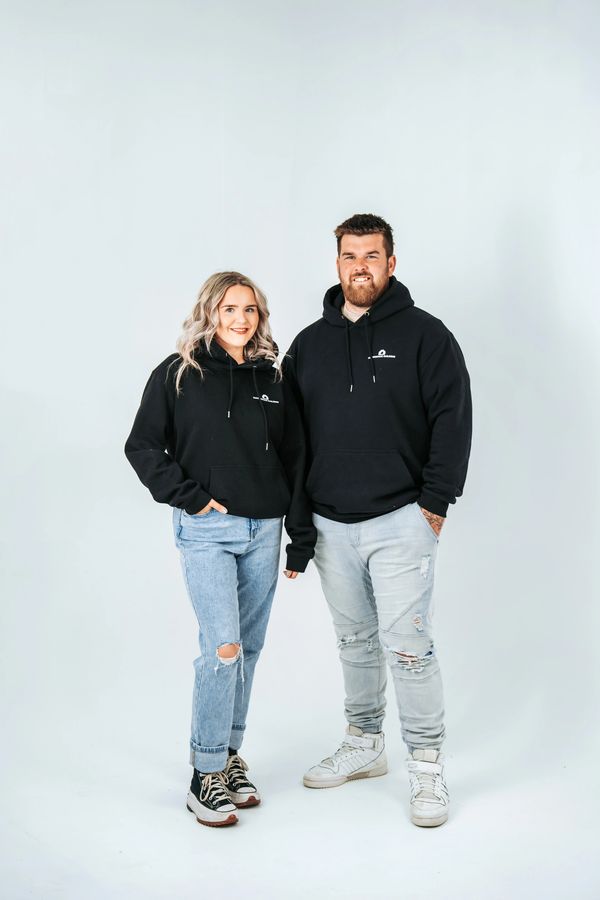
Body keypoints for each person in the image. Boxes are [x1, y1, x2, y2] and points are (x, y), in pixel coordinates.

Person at [284, 214, 472, 827]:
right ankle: (365, 744)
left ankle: (426, 765)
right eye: (348, 256)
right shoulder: (309, 345)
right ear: (336, 264)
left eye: (371, 255)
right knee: (355, 643)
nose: (359, 266)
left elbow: (452, 417)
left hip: (401, 519)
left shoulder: (426, 336)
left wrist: (435, 505)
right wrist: (301, 521)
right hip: (331, 525)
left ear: (391, 263)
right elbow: (291, 438)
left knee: (408, 648)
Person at [125, 272, 315, 828]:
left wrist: (299, 537)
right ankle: (203, 771)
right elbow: (141, 445)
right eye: (229, 308)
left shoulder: (274, 378)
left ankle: (230, 756)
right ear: (209, 311)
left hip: (265, 529)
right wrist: (190, 497)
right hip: (208, 531)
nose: (240, 319)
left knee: (248, 650)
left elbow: (296, 460)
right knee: (223, 648)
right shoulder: (178, 373)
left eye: (250, 309)